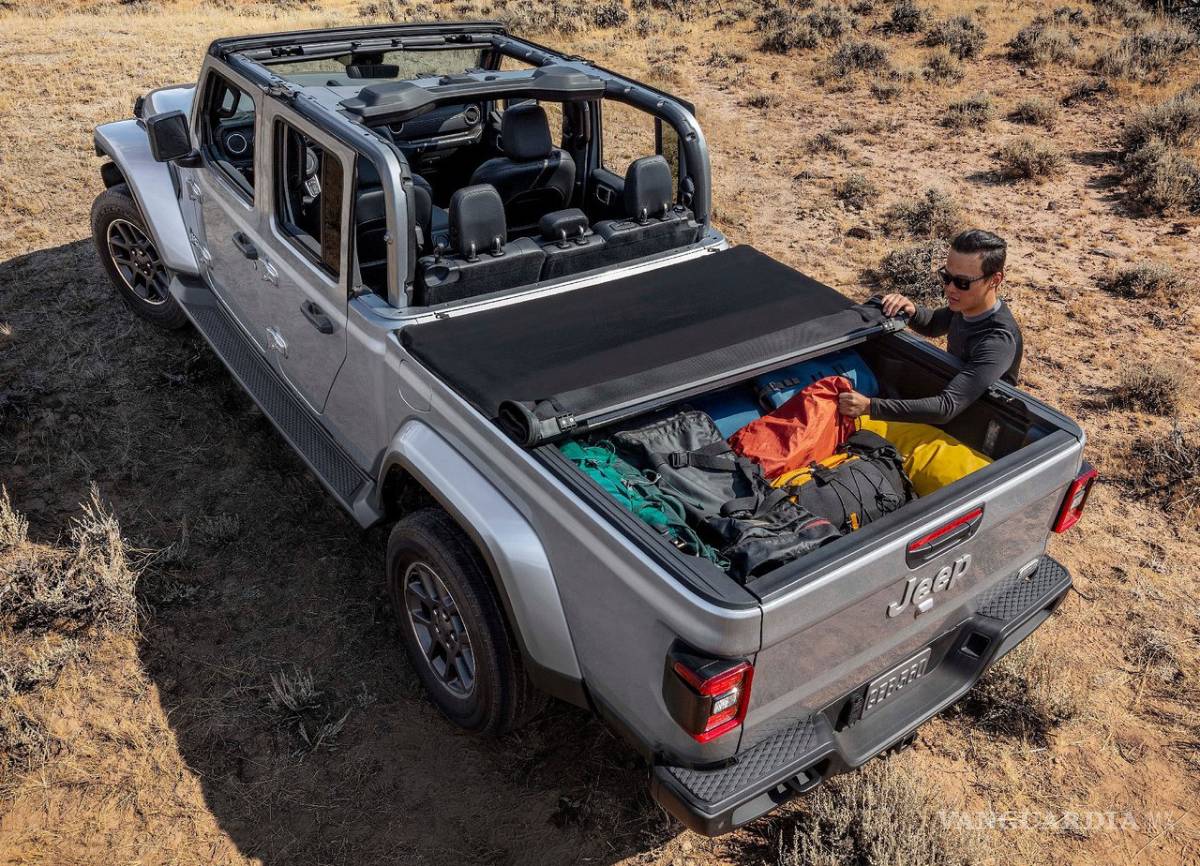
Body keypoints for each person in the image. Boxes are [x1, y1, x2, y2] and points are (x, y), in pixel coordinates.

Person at [838, 229, 1023, 426]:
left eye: (962, 282)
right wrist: (911, 310)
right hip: (957, 401)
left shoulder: (998, 341)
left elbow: (946, 407)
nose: (950, 288)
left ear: (994, 280)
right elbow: (935, 324)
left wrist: (870, 407)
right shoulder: (967, 305)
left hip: (978, 422)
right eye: (946, 277)